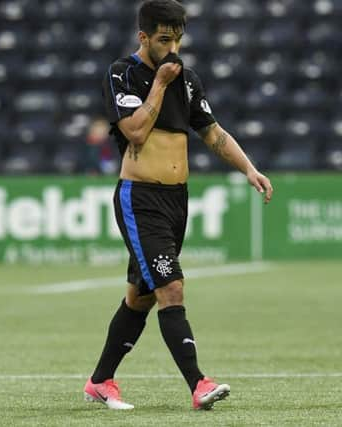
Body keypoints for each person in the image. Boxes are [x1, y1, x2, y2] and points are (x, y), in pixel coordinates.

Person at [83, 0, 273, 411]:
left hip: (176, 200)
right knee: (171, 287)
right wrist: (159, 84)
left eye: (178, 40)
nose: (173, 49)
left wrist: (248, 169)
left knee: (142, 296)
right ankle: (198, 384)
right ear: (144, 37)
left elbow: (212, 132)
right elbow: (134, 131)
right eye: (164, 40)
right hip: (140, 198)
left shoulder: (187, 80)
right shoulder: (123, 74)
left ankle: (100, 381)